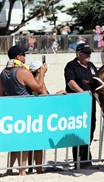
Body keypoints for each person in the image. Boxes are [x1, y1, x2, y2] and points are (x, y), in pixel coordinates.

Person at [0, 45, 46, 176]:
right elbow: (38, 87)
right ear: (18, 57)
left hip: (11, 109)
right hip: (25, 108)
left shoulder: (3, 72)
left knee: (14, 141)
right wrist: (42, 72)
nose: (25, 57)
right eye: (23, 54)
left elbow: (1, 93)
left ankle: (9, 169)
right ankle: (22, 170)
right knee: (24, 141)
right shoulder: (22, 71)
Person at [64, 43, 97, 169]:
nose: (89, 56)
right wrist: (82, 93)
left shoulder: (91, 66)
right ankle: (79, 161)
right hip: (76, 103)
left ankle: (87, 160)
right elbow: (70, 82)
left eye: (90, 53)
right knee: (79, 130)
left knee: (91, 128)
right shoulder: (71, 66)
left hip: (91, 102)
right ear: (79, 53)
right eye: (86, 53)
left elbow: (97, 80)